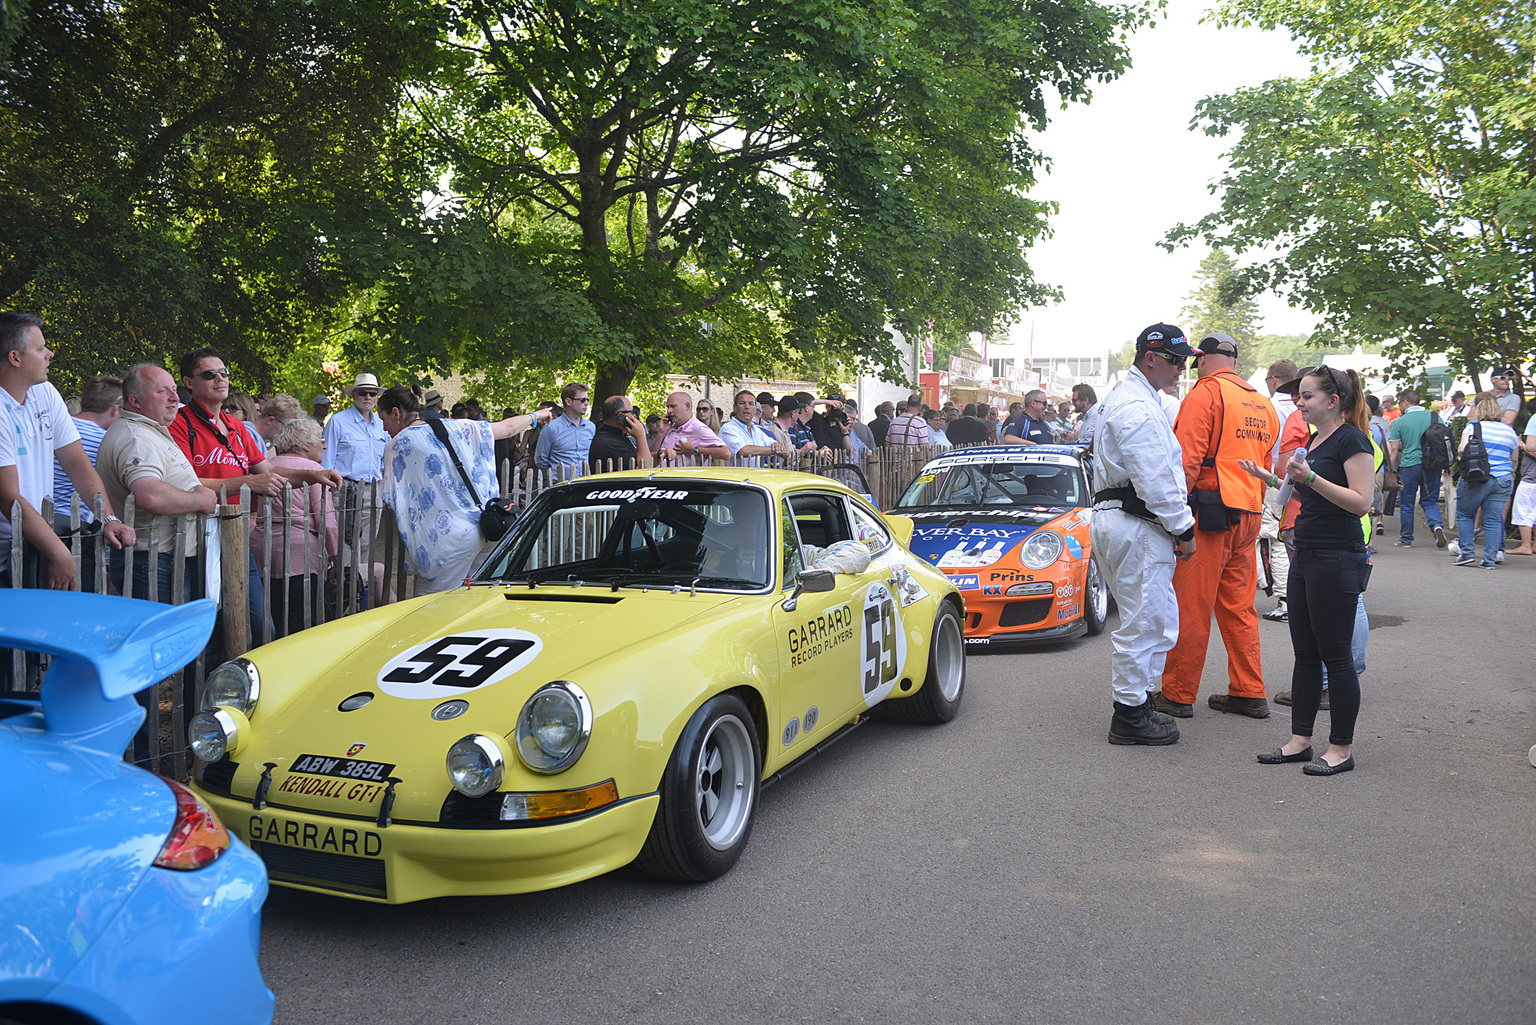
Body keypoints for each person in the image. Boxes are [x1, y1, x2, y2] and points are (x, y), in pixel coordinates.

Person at [1239, 365, 1374, 775]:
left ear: (1333, 401)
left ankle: (1341, 749)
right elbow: (1292, 491)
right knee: (1305, 655)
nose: (1299, 401)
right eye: (1300, 395)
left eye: (1309, 395)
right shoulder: (1317, 438)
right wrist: (1272, 479)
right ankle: (1299, 740)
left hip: (1337, 555)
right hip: (1307, 552)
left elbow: (1361, 502)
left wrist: (1310, 477)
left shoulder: (1354, 440)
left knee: (1336, 657)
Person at [1150, 333, 1279, 720]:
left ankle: (1177, 693)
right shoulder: (1262, 403)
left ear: (1203, 360)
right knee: (1239, 607)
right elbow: (1266, 464)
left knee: (1192, 605)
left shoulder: (1205, 394)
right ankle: (1248, 690)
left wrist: (1172, 517)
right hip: (1249, 513)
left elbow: (1186, 462)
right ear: (1235, 362)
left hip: (1210, 514)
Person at [1089, 323, 1198, 746]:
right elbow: (1155, 476)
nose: (1180, 369)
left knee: (1156, 618)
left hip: (1130, 519)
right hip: (1135, 521)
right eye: (1174, 360)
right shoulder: (1135, 405)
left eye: (1185, 361)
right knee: (1144, 621)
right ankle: (1130, 714)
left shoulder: (1136, 399)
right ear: (1150, 357)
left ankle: (1139, 703)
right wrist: (1183, 527)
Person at [1, 314, 134, 591]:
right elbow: (7, 496)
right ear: (15, 357)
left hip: (28, 545)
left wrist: (108, 518)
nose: (50, 353)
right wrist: (58, 552)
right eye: (40, 349)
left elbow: (77, 463)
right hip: (9, 550)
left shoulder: (45, 392)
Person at [378, 387, 551, 593]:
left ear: (396, 413)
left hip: (449, 541)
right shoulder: (460, 426)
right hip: (487, 527)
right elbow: (508, 429)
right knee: (477, 597)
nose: (384, 428)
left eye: (383, 419)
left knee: (433, 606)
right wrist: (536, 415)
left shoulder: (397, 445)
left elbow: (394, 503)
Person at [97, 364, 219, 603]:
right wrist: (202, 499)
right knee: (165, 638)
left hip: (162, 560)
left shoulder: (148, 431)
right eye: (163, 391)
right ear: (136, 401)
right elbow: (150, 495)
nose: (175, 398)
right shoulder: (138, 438)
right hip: (152, 563)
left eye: (174, 390)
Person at [251, 417, 338, 636]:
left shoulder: (268, 466)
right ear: (306, 445)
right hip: (300, 554)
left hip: (263, 549)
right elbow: (326, 522)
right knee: (307, 623)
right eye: (321, 440)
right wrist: (336, 558)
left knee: (274, 619)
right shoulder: (314, 470)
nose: (325, 445)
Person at [1452, 392, 1521, 568]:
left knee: (1465, 514)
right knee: (1493, 519)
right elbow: (1514, 459)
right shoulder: (1509, 431)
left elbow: (1462, 449)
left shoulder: (1473, 427)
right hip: (1503, 479)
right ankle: (1490, 559)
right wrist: (1510, 473)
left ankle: (1467, 553)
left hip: (1477, 477)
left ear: (1479, 410)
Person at [51, 374, 121, 529]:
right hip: (73, 526)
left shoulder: (55, 428)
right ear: (116, 410)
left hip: (37, 522)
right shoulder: (106, 442)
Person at [1258, 359, 1298, 620]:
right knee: (1291, 538)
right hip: (1305, 481)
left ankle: (1285, 600)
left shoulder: (1266, 407)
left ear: (1273, 378)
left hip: (1273, 478)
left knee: (1276, 540)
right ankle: (1293, 597)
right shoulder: (1302, 408)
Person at [1387, 388, 1447, 548]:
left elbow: (1393, 449)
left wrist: (1389, 468)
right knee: (1429, 500)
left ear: (1405, 402)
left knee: (1407, 503)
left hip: (1409, 465)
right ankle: (1437, 526)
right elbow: (1444, 443)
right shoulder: (1436, 417)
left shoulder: (1400, 421)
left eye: (1400, 403)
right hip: (1432, 465)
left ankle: (1406, 539)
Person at [533, 382, 596, 478]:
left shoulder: (591, 427)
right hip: (560, 485)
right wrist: (554, 476)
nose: (587, 403)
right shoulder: (551, 428)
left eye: (588, 399)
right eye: (583, 400)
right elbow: (541, 459)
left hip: (585, 483)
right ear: (568, 401)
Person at [653, 391, 730, 466]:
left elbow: (726, 453)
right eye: (668, 407)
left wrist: (694, 450)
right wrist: (661, 433)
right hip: (659, 477)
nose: (669, 411)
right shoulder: (670, 427)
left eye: (673, 406)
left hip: (682, 478)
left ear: (687, 406)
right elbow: (650, 456)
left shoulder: (698, 428)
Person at [718, 390, 786, 467]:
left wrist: (777, 446)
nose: (747, 407)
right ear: (735, 408)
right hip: (734, 478)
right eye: (742, 403)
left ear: (755, 409)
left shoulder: (756, 430)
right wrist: (774, 450)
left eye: (751, 404)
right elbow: (743, 451)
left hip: (754, 477)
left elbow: (776, 445)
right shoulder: (728, 428)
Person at [588, 394, 654, 470]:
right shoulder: (611, 444)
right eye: (631, 412)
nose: (634, 416)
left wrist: (658, 455)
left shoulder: (615, 435)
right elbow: (645, 467)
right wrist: (640, 436)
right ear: (621, 416)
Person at [1510, 397, 1536, 556]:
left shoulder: (1535, 419)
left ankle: (1526, 545)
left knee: (1523, 509)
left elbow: (1533, 448)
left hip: (1532, 475)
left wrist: (1521, 444)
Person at [1070, 385, 1099, 450]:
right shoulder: (1087, 417)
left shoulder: (1098, 415)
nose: (1072, 403)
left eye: (1074, 400)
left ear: (1086, 400)